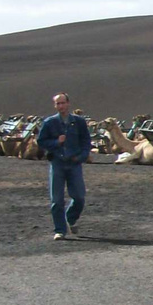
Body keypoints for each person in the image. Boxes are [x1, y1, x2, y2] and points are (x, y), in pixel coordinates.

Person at [36, 93, 91, 240]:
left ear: (68, 103)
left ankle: (70, 217)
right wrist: (56, 143)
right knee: (57, 199)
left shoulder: (78, 122)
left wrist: (82, 156)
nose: (60, 106)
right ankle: (60, 230)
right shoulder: (49, 123)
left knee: (79, 196)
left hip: (74, 163)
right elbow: (41, 141)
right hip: (58, 163)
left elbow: (86, 141)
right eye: (57, 104)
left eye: (62, 103)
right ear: (55, 106)